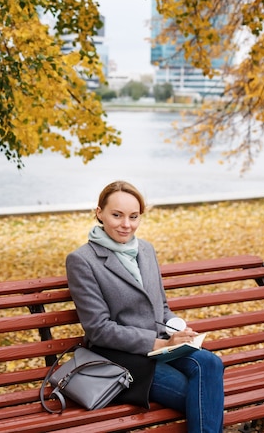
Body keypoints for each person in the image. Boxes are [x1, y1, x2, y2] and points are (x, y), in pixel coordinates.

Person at [66, 180, 224, 433]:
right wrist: (159, 343)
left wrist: (177, 331)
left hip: (162, 348)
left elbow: (160, 306)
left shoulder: (146, 250)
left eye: (133, 216)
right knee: (203, 396)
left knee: (211, 364)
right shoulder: (82, 260)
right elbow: (98, 329)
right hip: (120, 357)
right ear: (99, 213)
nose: (126, 224)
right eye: (116, 215)